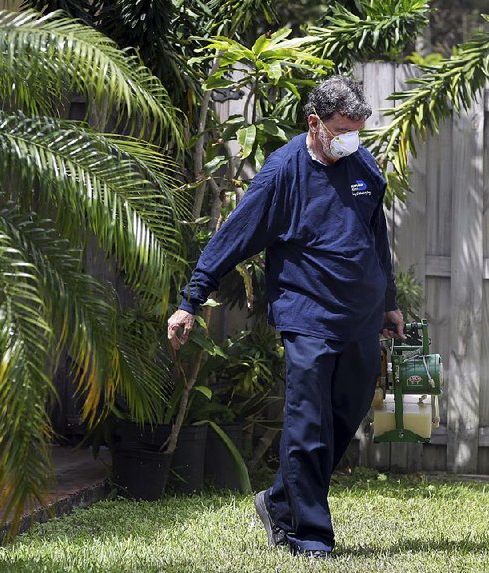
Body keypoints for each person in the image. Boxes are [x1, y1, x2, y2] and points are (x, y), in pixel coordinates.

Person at [166, 75, 404, 559]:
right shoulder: (284, 173)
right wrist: (191, 300)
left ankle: (279, 501)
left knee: (346, 415)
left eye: (358, 130)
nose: (351, 140)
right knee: (308, 425)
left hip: (359, 317)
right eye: (342, 130)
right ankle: (310, 537)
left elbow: (376, 239)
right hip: (308, 314)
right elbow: (233, 236)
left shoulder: (362, 164)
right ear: (314, 124)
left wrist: (389, 302)